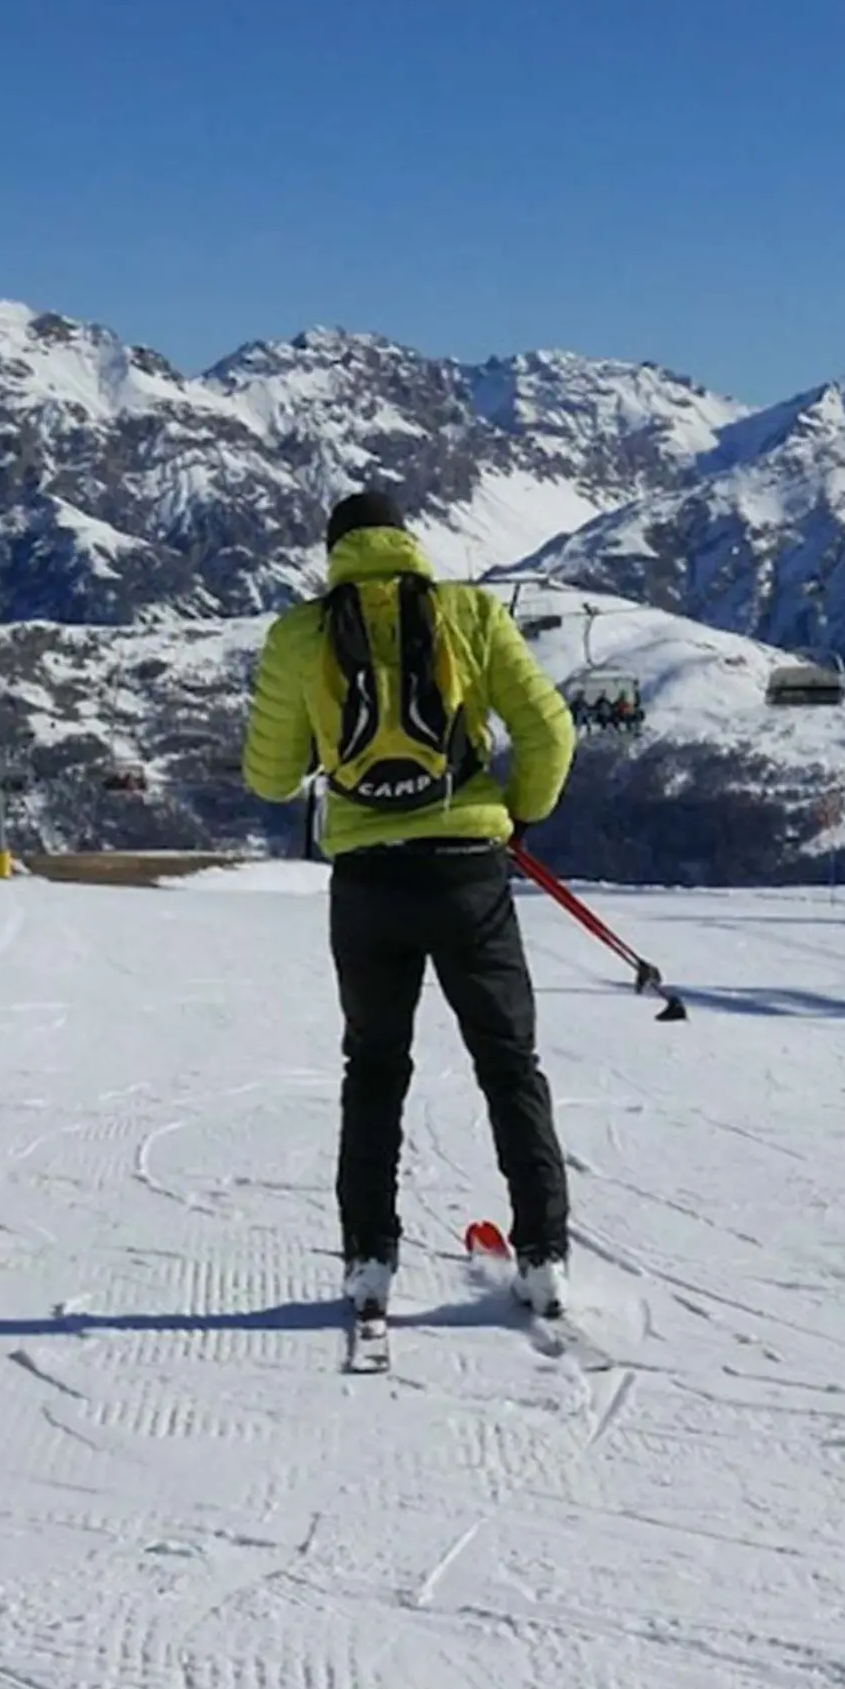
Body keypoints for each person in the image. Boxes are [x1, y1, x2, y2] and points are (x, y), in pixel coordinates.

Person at [243, 491, 580, 1324]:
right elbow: (550, 732)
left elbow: (270, 778)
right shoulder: (468, 612)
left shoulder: (301, 633)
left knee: (375, 1072)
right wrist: (518, 815)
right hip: (469, 873)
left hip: (367, 884)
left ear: (335, 552)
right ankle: (542, 1257)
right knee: (509, 1065)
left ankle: (368, 1265)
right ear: (408, 542)